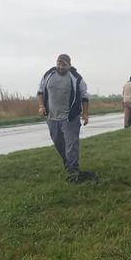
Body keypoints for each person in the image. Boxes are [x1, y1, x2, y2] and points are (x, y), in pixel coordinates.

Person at [37, 53, 93, 182]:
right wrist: (41, 106)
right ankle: (67, 163)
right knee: (58, 143)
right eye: (59, 64)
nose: (61, 67)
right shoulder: (49, 74)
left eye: (64, 64)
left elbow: (84, 97)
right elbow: (40, 91)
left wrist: (85, 114)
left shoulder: (76, 78)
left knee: (71, 144)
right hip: (52, 117)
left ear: (69, 65)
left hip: (70, 118)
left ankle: (73, 169)